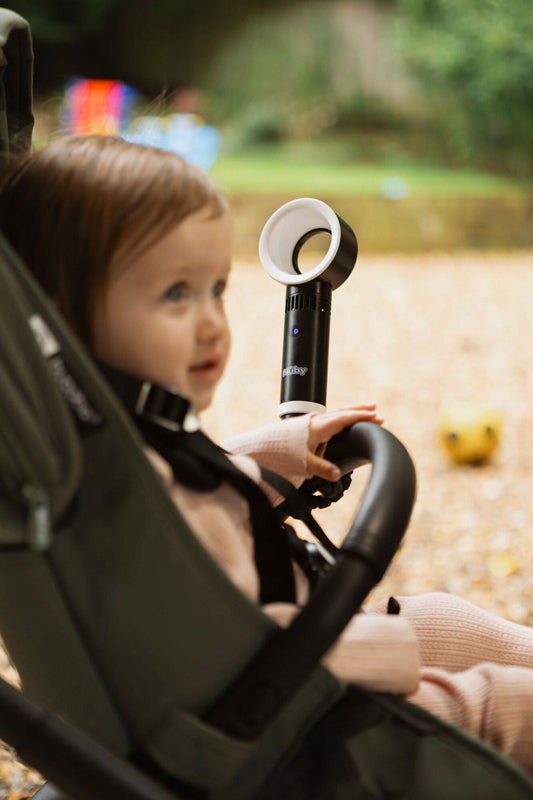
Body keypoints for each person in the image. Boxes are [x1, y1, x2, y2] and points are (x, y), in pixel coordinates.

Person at [1, 135, 533, 770]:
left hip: (296, 668)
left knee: (447, 622)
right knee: (505, 705)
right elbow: (235, 663)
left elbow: (200, 482)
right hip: (303, 725)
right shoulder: (119, 515)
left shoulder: (86, 453)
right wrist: (391, 648)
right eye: (177, 294)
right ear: (59, 318)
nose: (212, 323)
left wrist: (282, 449)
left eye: (218, 289)